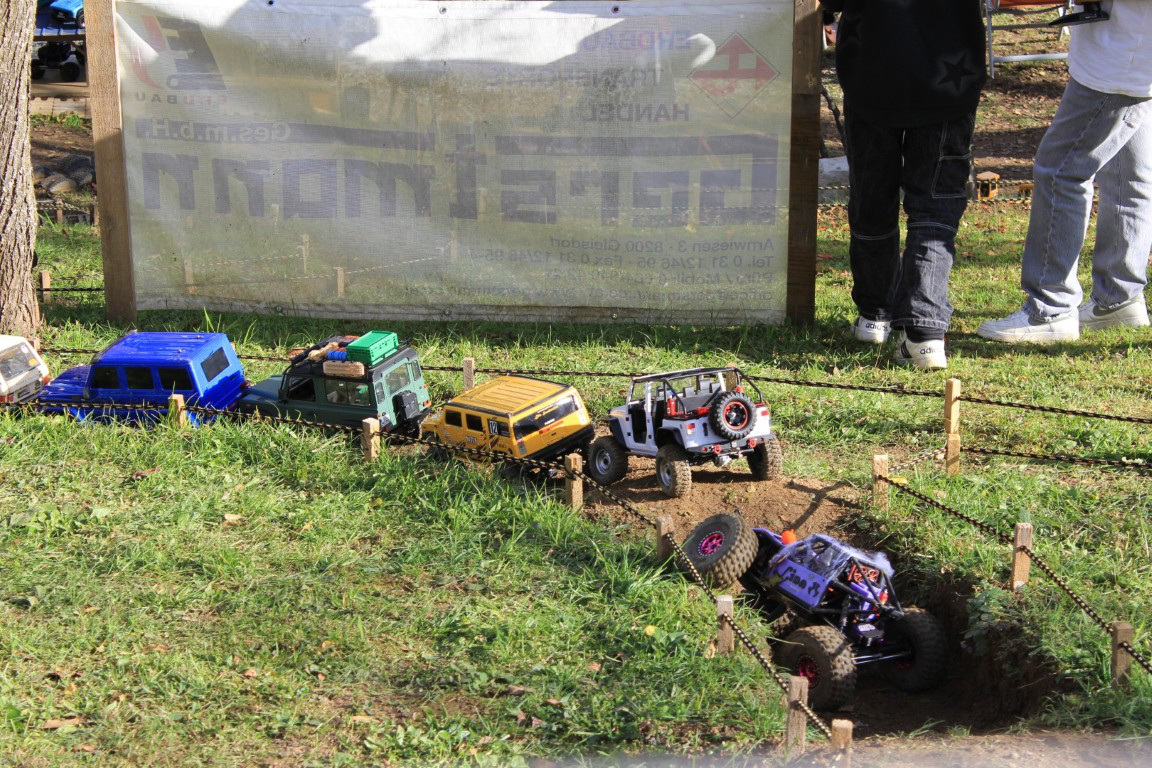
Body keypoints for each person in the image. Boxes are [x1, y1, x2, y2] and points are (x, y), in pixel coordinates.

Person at [822, 0, 986, 369]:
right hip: (948, 75)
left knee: (873, 196)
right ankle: (920, 330)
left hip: (876, 72)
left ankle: (876, 314)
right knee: (934, 206)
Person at [978, 1, 1152, 343]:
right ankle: (1118, 298)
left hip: (1121, 60)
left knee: (1061, 172)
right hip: (1126, 55)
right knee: (1128, 176)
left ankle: (1050, 308)